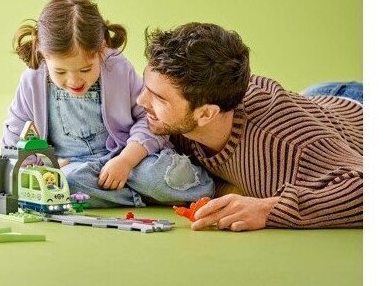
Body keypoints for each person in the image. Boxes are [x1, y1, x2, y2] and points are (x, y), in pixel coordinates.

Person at [136, 22, 362, 230]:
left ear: (206, 114)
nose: (140, 101)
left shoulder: (289, 147)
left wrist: (267, 209)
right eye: (146, 87)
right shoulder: (176, 116)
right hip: (316, 100)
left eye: (159, 99)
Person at [2, 0, 215, 208]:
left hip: (127, 158)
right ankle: (142, 197)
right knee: (64, 183)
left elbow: (149, 120)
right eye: (60, 72)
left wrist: (125, 161)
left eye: (86, 69)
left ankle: (139, 190)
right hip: (72, 168)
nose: (74, 81)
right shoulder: (32, 81)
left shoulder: (118, 69)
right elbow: (15, 137)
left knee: (157, 175)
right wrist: (12, 185)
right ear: (43, 54)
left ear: (102, 49)